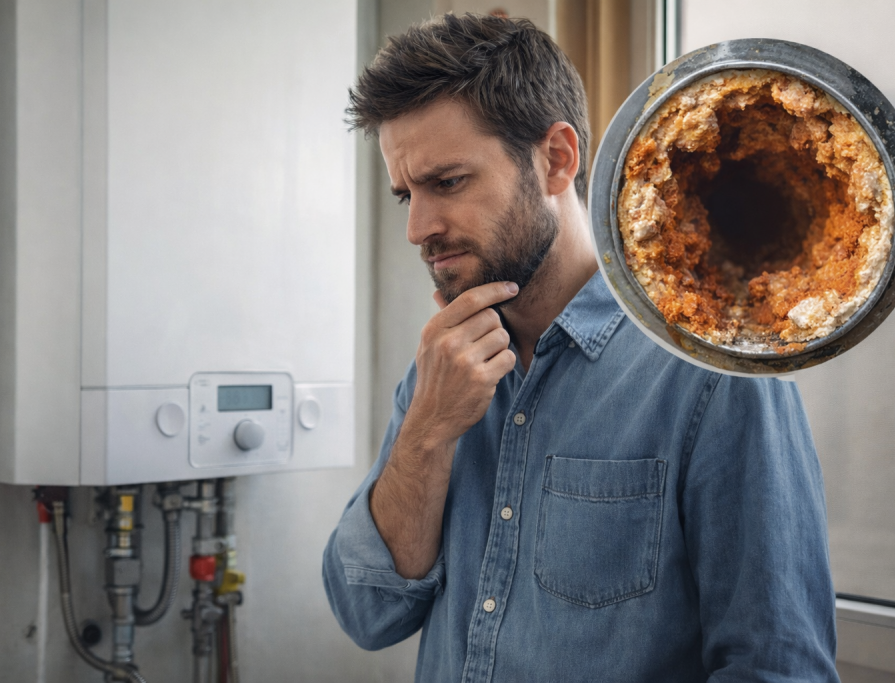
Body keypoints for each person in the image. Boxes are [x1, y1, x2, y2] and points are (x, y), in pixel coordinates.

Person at [323, 13, 840, 683]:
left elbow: (778, 668)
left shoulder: (714, 372)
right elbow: (367, 613)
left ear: (557, 160)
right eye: (406, 196)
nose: (419, 228)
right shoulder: (443, 370)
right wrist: (425, 432)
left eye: (447, 183)